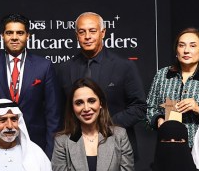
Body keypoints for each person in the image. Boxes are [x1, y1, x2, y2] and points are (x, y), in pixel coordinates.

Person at [56, 12, 146, 154]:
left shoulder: (124, 66)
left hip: (117, 147)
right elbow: (60, 111)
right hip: (77, 149)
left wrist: (104, 124)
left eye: (92, 31)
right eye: (82, 32)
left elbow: (139, 107)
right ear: (76, 35)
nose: (87, 36)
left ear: (102, 33)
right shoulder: (65, 69)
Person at [0, 13, 61, 156]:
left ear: (28, 36)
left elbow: (53, 114)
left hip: (36, 144)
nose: (14, 37)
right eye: (9, 33)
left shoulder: (44, 66)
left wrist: (50, 153)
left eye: (20, 33)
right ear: (2, 36)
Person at [145, 28, 199, 147]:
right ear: (176, 51)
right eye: (181, 45)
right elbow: (150, 107)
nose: (186, 50)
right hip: (168, 144)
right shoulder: (162, 75)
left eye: (192, 46)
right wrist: (159, 120)